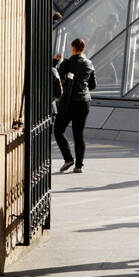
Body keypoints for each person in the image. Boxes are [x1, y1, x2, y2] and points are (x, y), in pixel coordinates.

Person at [55, 37, 96, 174]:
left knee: (58, 130)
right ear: (83, 49)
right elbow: (93, 85)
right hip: (84, 102)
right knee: (79, 134)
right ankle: (78, 166)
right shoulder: (89, 64)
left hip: (68, 103)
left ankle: (68, 158)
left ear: (73, 48)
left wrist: (56, 62)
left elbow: (57, 77)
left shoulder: (67, 63)